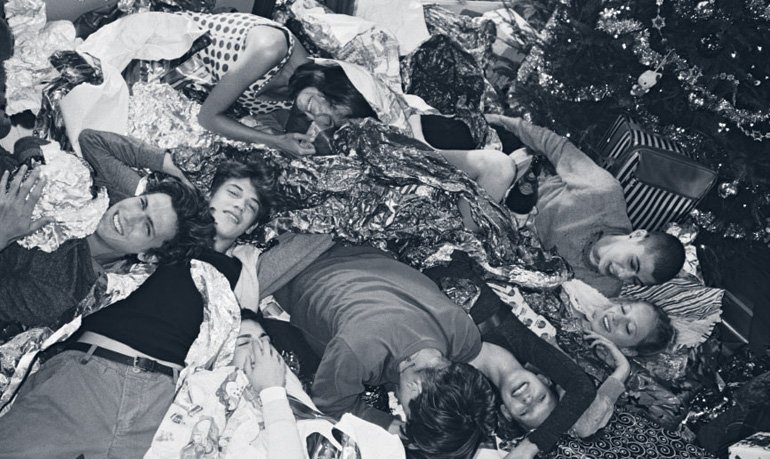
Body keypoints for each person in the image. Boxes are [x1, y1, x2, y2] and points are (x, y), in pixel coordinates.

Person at [273, 243, 596, 459]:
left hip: (360, 253)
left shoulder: (461, 334)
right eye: (406, 408)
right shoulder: (359, 352)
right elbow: (328, 404)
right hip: (296, 267)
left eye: (524, 411)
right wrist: (389, 423)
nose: (527, 399)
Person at [0, 153, 214, 327]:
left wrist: (3, 235)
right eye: (141, 203)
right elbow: (28, 146)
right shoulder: (90, 192)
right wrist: (33, 160)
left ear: (148, 256)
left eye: (146, 227)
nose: (130, 215)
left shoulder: (62, 291)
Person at [485, 114, 686, 296]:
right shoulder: (604, 193)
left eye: (634, 280)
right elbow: (556, 147)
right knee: (500, 166)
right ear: (637, 235)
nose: (622, 274)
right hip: (510, 188)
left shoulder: (604, 290)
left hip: (502, 249)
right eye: (632, 263)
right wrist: (502, 121)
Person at [181, 11, 316, 156]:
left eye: (328, 123)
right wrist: (274, 141)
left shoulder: (299, 98)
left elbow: (264, 120)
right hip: (170, 46)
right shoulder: (271, 47)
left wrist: (276, 135)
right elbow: (207, 118)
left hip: (185, 83)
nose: (315, 121)